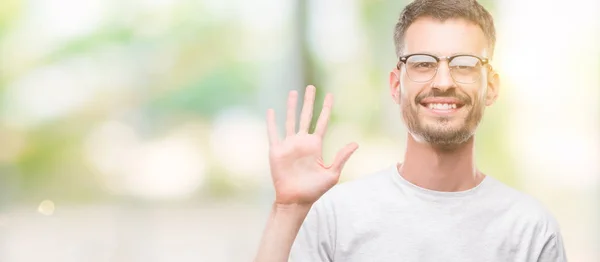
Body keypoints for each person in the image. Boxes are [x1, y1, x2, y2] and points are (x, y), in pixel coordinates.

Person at [254, 0, 567, 261]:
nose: (443, 82)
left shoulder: (531, 230)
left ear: (491, 88)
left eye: (464, 64)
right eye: (422, 63)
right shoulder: (338, 217)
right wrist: (287, 209)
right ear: (395, 85)